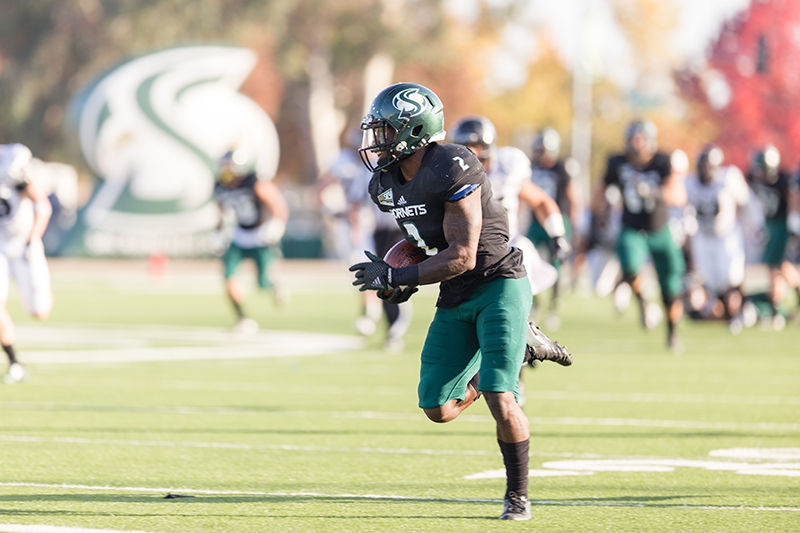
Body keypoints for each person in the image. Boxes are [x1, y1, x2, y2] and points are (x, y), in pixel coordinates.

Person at [349, 82, 571, 521]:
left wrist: (397, 274)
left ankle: (517, 496)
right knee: (437, 407)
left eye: (386, 131)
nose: (378, 141)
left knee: (499, 394)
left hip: (498, 281)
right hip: (456, 294)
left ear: (413, 130)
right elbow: (422, 244)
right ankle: (521, 346)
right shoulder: (386, 184)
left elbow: (462, 254)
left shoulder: (452, 163)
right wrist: (400, 280)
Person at [448, 115, 568, 404]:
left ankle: (516, 372)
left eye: (476, 145)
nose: (470, 153)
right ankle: (518, 356)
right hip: (470, 257)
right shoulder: (447, 175)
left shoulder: (506, 167)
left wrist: (557, 234)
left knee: (510, 317)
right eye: (464, 145)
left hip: (508, 251)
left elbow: (540, 200)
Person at [591, 119, 686, 350]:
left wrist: (653, 192)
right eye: (632, 138)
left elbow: (678, 195)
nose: (635, 143)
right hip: (632, 227)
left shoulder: (662, 161)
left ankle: (672, 332)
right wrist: (599, 211)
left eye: (640, 138)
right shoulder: (617, 162)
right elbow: (599, 192)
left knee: (672, 285)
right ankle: (643, 301)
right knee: (631, 266)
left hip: (659, 230)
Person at [336, 129, 412, 351]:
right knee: (377, 276)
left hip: (402, 228)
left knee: (397, 278)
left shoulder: (407, 165)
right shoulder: (365, 171)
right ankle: (378, 320)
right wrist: (356, 226)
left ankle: (394, 328)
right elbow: (355, 202)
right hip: (379, 230)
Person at [214, 146, 288, 333]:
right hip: (239, 234)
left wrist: (277, 225)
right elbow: (221, 211)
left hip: (260, 234)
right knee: (229, 277)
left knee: (262, 284)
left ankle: (273, 284)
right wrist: (217, 232)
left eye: (229, 166)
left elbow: (278, 205)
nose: (226, 171)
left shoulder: (253, 182)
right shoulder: (220, 186)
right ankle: (242, 318)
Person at [0, 143, 54, 383]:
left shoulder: (11, 169)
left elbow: (42, 205)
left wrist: (33, 239)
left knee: (39, 311)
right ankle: (15, 363)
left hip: (22, 246)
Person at [684, 144, 750, 333]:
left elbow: (745, 202)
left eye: (708, 166)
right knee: (710, 281)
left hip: (726, 235)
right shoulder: (690, 183)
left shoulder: (728, 178)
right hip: (704, 236)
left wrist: (747, 229)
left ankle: (736, 314)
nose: (705, 170)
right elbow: (686, 212)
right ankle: (723, 313)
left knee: (731, 278)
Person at [527, 127, 579, 327]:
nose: (540, 153)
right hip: (535, 221)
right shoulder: (531, 167)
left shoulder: (562, 168)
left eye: (542, 149)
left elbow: (572, 197)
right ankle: (536, 301)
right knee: (523, 258)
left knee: (557, 262)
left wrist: (571, 226)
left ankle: (554, 306)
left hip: (556, 219)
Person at [745, 145, 800, 327]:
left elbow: (793, 198)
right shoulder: (753, 178)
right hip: (769, 224)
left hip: (782, 224)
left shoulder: (784, 180)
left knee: (775, 266)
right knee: (775, 266)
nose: (759, 173)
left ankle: (777, 309)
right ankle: (779, 305)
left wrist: (793, 224)